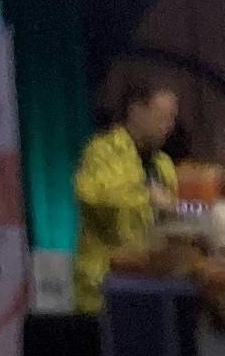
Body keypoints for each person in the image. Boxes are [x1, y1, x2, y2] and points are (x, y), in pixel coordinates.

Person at [70, 66, 176, 312]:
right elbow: (95, 197)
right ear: (136, 110)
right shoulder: (101, 152)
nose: (169, 126)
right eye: (163, 117)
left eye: (172, 118)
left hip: (150, 288)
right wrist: (147, 197)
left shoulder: (164, 165)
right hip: (103, 292)